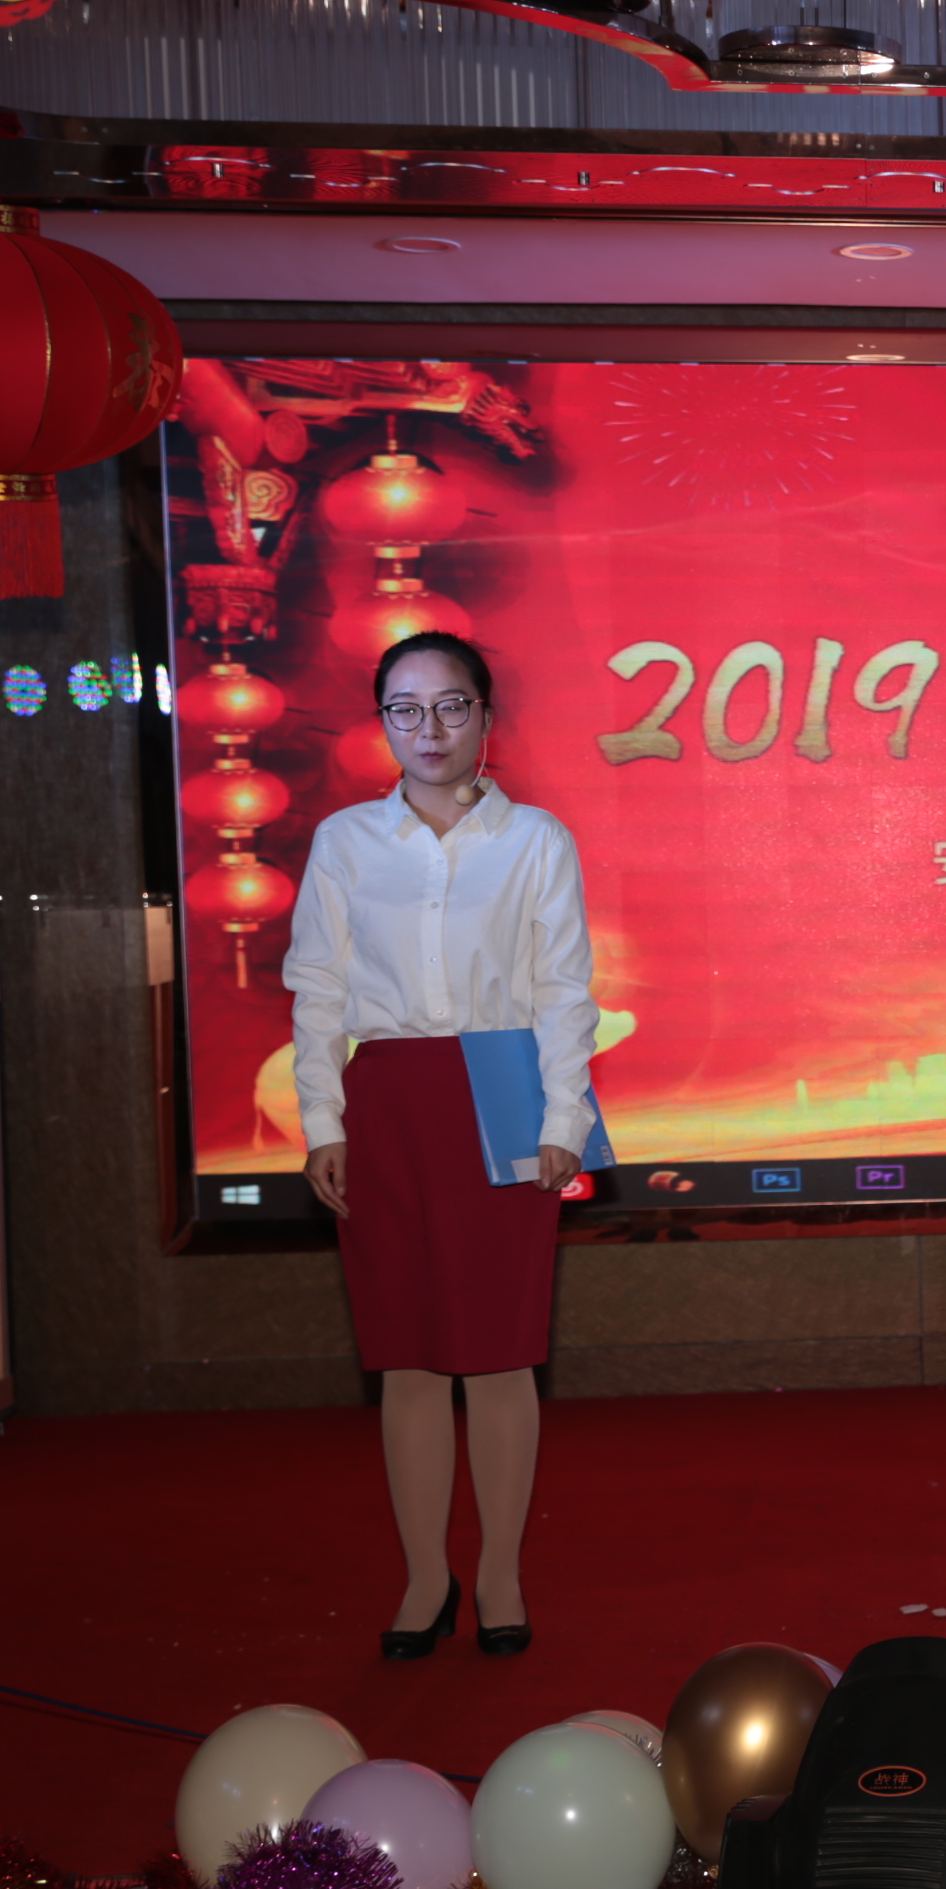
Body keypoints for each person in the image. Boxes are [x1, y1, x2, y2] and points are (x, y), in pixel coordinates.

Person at [288, 632, 596, 1658]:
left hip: (503, 1095)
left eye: (451, 706)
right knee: (407, 1356)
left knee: (501, 1352)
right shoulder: (344, 841)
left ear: (486, 718)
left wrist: (563, 1120)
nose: (430, 728)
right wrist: (324, 1123)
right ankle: (426, 1576)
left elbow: (564, 989)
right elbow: (317, 990)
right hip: (386, 1099)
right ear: (383, 723)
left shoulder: (537, 839)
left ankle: (500, 1573)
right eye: (405, 709)